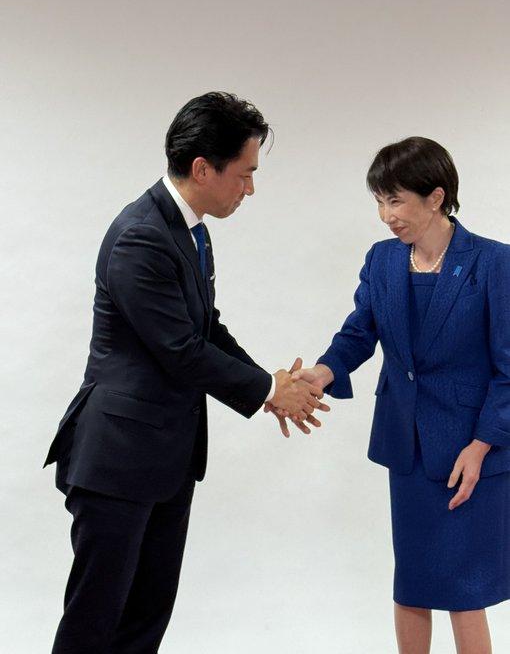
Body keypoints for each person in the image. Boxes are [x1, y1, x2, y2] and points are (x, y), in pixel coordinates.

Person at [43, 91, 328, 653]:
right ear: (202, 169)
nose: (250, 189)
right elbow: (180, 350)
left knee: (145, 618)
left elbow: (206, 329)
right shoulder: (141, 236)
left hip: (165, 457)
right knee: (95, 623)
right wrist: (270, 390)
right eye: (245, 174)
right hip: (117, 458)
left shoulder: (190, 230)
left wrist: (270, 385)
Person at [280, 137, 510, 653]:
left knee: (465, 591)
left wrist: (482, 446)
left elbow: (509, 368)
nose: (386, 216)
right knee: (411, 582)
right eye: (380, 202)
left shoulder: (495, 262)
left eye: (396, 201)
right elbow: (359, 332)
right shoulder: (383, 260)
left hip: (470, 451)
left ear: (436, 197)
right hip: (407, 445)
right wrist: (323, 372)